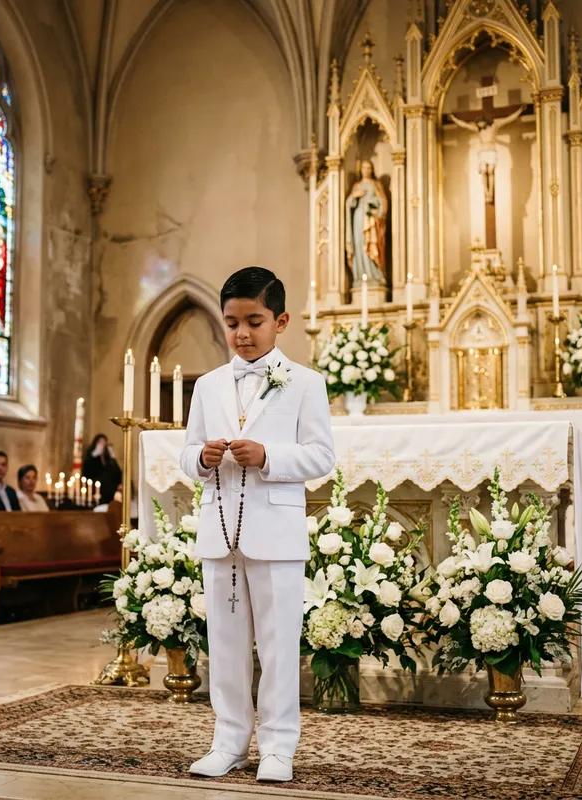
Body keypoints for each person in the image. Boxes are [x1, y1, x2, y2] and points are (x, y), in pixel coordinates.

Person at [180, 267, 335, 783]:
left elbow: (321, 456)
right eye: (232, 324)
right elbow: (186, 453)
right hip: (220, 531)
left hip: (276, 533)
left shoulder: (305, 383)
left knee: (277, 645)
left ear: (280, 321)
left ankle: (277, 747)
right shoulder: (208, 385)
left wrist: (268, 455)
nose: (242, 333)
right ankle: (228, 741)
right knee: (224, 645)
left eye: (254, 321)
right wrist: (202, 458)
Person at [345, 159, 389, 286]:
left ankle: (374, 274)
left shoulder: (376, 184)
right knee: (359, 244)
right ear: (361, 170)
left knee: (371, 244)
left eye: (369, 168)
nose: (366, 170)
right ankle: (360, 275)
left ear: (372, 170)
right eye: (364, 168)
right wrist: (354, 196)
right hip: (359, 218)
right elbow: (349, 203)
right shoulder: (357, 186)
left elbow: (383, 201)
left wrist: (378, 213)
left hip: (371, 220)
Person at [82, 435, 122, 505]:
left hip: (110, 488)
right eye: (100, 442)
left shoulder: (109, 459)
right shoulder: (91, 457)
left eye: (104, 442)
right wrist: (94, 455)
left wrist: (113, 458)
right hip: (96, 487)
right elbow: (88, 471)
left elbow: (117, 472)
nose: (102, 445)